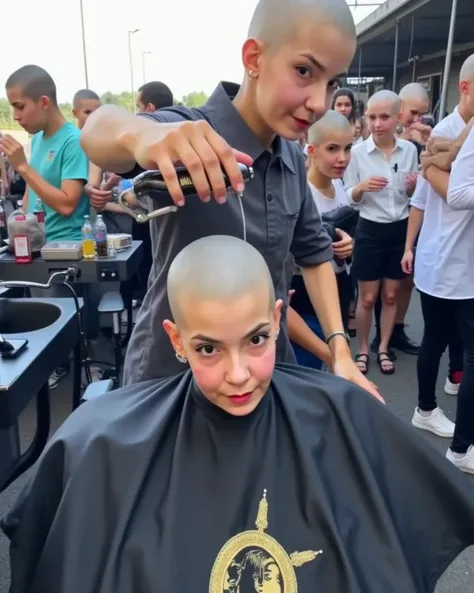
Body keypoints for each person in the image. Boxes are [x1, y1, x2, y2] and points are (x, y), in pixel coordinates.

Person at [3, 235, 474, 593]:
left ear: (276, 318)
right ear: (176, 340)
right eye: (208, 348)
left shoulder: (343, 419)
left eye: (256, 340)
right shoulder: (103, 445)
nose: (238, 374)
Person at [81, 0, 379, 397]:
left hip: (261, 375)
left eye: (330, 83)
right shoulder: (187, 132)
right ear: (254, 57)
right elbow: (99, 128)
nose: (319, 103)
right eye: (304, 71)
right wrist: (142, 136)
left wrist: (339, 349)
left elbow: (314, 252)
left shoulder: (291, 157)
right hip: (172, 383)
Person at [0, 65, 95, 389]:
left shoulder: (74, 141)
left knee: (59, 324)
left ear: (43, 102)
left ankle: (68, 377)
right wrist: (19, 229)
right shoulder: (38, 139)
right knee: (33, 318)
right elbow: (31, 193)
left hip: (64, 249)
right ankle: (45, 370)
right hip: (34, 247)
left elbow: (68, 203)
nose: (16, 115)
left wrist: (23, 168)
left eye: (19, 106)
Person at [401, 58, 474, 472]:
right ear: (464, 88)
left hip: (457, 262)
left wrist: (430, 165)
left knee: (450, 342)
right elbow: (424, 201)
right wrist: (410, 246)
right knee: (437, 340)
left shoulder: (448, 138)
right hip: (447, 260)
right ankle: (432, 414)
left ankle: (442, 396)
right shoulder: (446, 133)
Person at [344, 90, 418, 376]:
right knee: (367, 298)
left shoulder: (410, 150)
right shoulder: (358, 153)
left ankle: (383, 347)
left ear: (398, 117)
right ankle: (363, 349)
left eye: (384, 117)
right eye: (372, 117)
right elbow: (349, 197)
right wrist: (361, 187)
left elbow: (410, 195)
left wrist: (412, 185)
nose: (377, 123)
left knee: (390, 296)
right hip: (370, 230)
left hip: (399, 229)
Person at [290, 110, 355, 369]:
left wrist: (350, 245)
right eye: (332, 149)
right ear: (312, 150)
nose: (342, 158)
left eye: (348, 148)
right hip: (305, 298)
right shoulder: (299, 195)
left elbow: (347, 235)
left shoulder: (338, 186)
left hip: (338, 290)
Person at [372, 82, 431, 357]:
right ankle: (378, 336)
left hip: (409, 218)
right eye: (415, 113)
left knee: (404, 280)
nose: (417, 120)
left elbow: (415, 187)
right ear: (401, 108)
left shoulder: (415, 145)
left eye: (422, 115)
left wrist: (413, 183)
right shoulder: (377, 139)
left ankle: (396, 329)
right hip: (377, 222)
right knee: (378, 283)